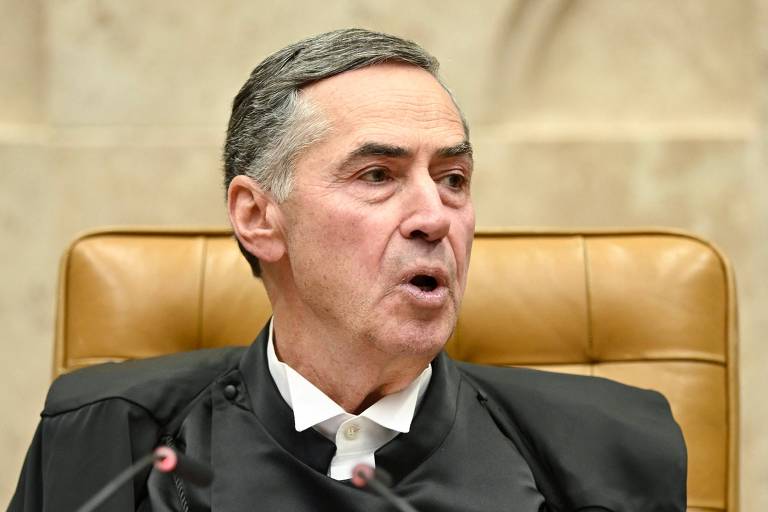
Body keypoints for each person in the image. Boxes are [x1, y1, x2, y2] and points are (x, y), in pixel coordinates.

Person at [9, 29, 686, 511]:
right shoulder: (106, 436)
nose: (435, 216)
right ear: (258, 217)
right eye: (378, 175)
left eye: (453, 178)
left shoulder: (609, 446)